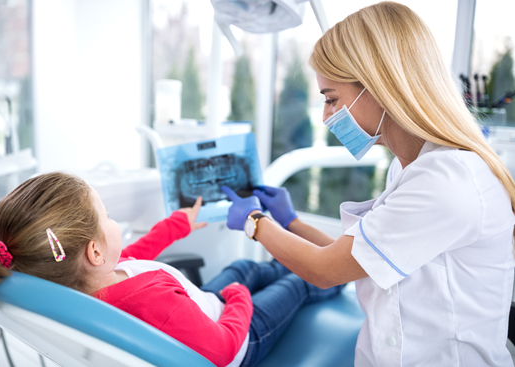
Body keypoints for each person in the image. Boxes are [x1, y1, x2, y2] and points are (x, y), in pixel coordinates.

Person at [221, 2, 515, 366]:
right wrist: (290, 221)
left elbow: (325, 271)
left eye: (332, 99)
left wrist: (254, 223)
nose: (327, 116)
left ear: (380, 86)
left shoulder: (448, 180)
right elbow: (360, 257)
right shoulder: (410, 168)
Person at [0, 172, 343, 367]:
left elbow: (134, 255)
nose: (113, 222)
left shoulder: (82, 281)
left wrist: (177, 225)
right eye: (108, 216)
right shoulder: (152, 301)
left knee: (245, 265)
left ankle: (271, 272)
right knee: (297, 282)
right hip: (240, 337)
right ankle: (331, 285)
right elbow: (222, 351)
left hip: (202, 306)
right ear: (95, 252)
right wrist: (237, 299)